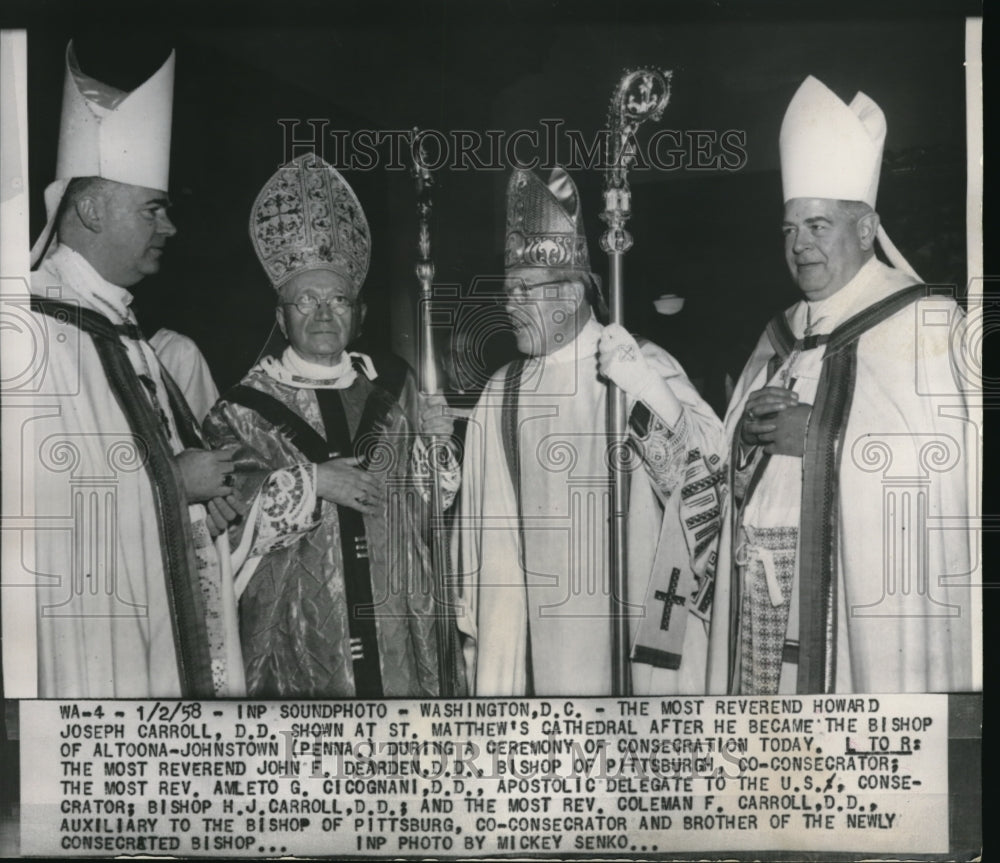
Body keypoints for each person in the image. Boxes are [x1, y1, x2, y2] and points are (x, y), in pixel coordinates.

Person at [707, 76, 978, 694]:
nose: (798, 246)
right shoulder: (777, 335)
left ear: (865, 229)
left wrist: (823, 437)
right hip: (761, 606)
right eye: (788, 229)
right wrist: (745, 437)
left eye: (817, 226)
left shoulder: (929, 325)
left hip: (853, 618)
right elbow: (721, 465)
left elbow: (953, 475)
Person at [453, 167, 725, 696]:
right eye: (507, 290)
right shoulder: (501, 392)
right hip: (537, 650)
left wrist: (648, 391)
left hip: (634, 639)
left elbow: (708, 484)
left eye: (524, 289)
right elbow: (485, 551)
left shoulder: (637, 365)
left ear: (574, 292)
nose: (509, 304)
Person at [26, 42, 243, 697]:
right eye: (154, 207)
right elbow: (34, 512)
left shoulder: (124, 333)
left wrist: (211, 499)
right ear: (91, 209)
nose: (171, 227)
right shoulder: (34, 330)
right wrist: (173, 482)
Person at [202, 153, 458, 698]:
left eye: (337, 299)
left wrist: (436, 447)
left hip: (394, 629)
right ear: (281, 316)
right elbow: (214, 527)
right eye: (306, 301)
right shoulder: (241, 412)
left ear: (358, 313)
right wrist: (312, 483)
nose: (323, 314)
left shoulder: (391, 397)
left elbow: (428, 507)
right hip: (297, 640)